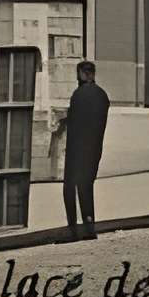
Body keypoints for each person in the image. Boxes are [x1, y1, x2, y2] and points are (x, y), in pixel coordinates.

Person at [57, 60, 111, 238]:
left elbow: (75, 124)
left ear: (81, 74)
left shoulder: (78, 95)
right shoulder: (102, 96)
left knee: (69, 188)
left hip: (77, 149)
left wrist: (64, 122)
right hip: (94, 148)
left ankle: (72, 228)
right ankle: (89, 225)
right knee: (86, 186)